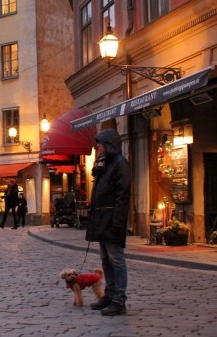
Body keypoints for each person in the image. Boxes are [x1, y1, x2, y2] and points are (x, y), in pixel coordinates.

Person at [86, 128, 131, 316]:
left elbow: (123, 194)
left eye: (100, 143)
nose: (97, 146)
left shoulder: (120, 163)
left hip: (112, 219)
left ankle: (119, 299)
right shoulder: (104, 163)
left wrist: (118, 221)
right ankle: (110, 294)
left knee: (116, 259)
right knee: (105, 259)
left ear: (109, 144)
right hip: (101, 218)